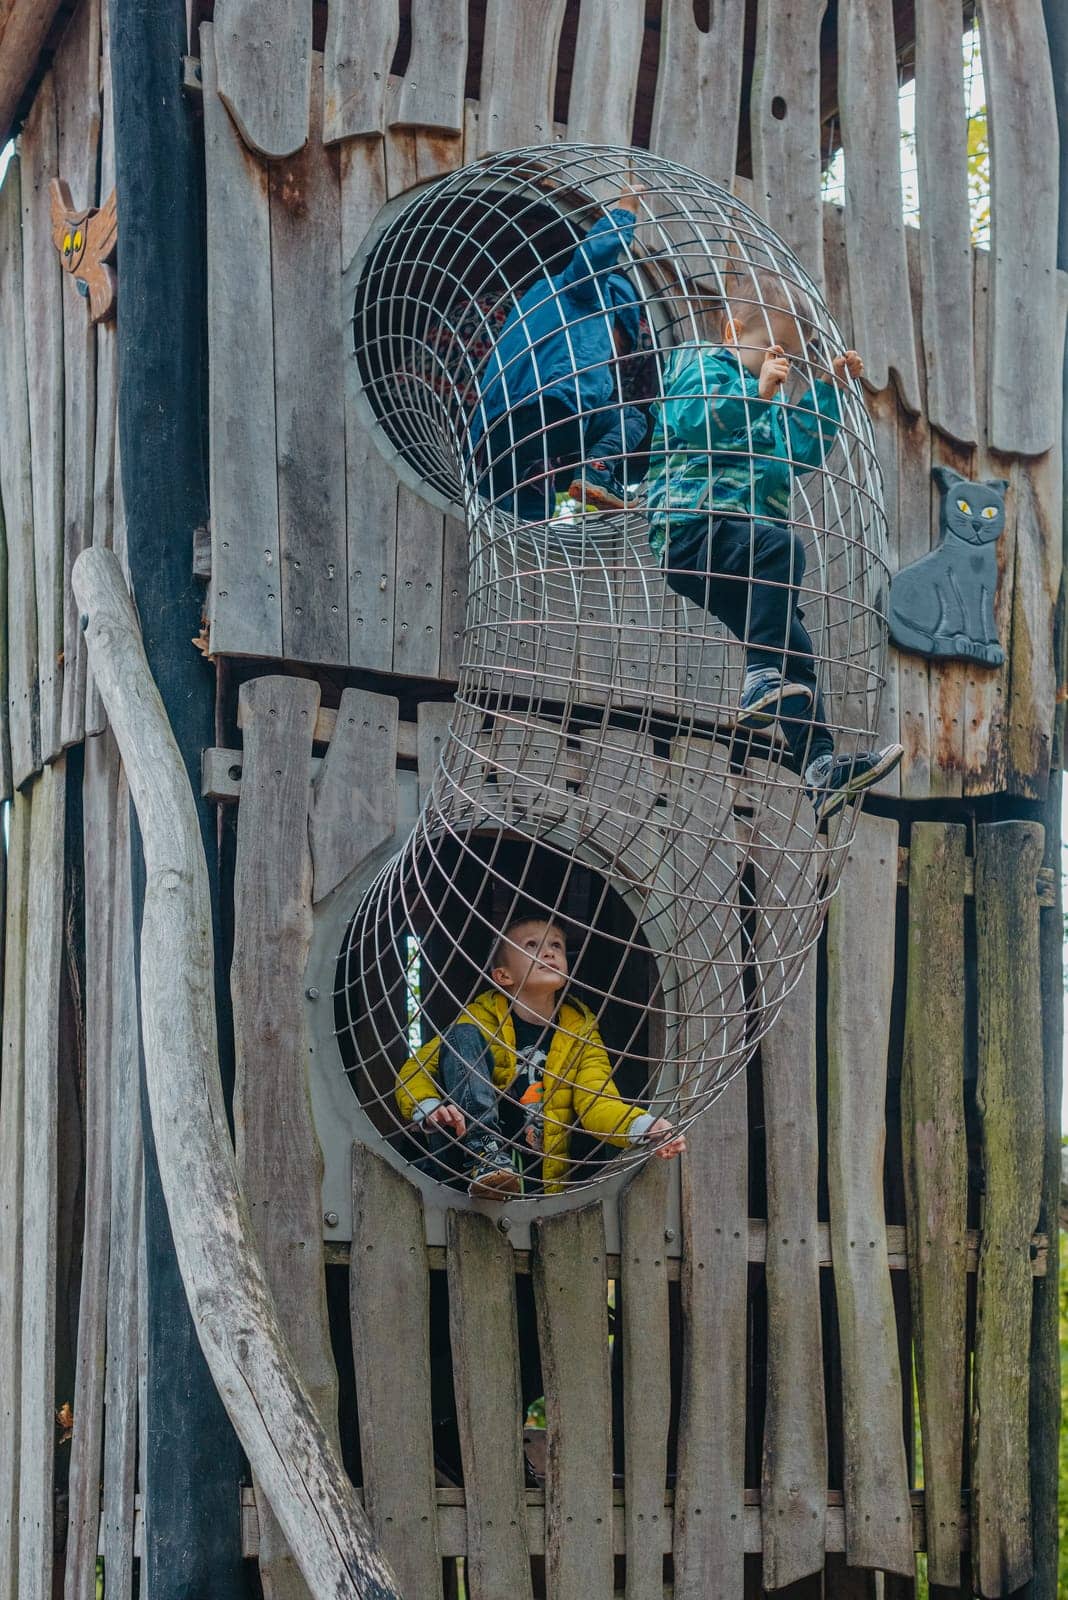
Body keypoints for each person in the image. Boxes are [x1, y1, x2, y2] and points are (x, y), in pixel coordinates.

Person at [645, 271, 903, 818]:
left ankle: (821, 768)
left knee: (795, 646)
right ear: (733, 328)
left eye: (786, 354)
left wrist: (828, 391)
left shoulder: (766, 403)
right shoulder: (700, 366)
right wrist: (756, 394)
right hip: (694, 531)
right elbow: (694, 421)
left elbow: (798, 450)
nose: (777, 362)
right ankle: (759, 678)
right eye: (772, 347)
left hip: (740, 550)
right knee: (782, 548)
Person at [396, 915, 684, 1198]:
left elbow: (597, 1102)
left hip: (537, 1179)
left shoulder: (579, 1030)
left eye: (557, 945)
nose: (549, 951)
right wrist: (429, 1108)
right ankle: (485, 1151)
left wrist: (647, 1126)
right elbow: (414, 1070)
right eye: (532, 945)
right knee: (461, 1036)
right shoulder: (479, 1019)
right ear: (503, 975)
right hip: (464, 1169)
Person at [470, 185, 649, 521]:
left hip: (496, 433)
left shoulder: (539, 305)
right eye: (617, 346)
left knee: (519, 512)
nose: (611, 360)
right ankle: (596, 472)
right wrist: (625, 210)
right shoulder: (590, 293)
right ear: (614, 313)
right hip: (547, 408)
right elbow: (595, 257)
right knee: (630, 418)